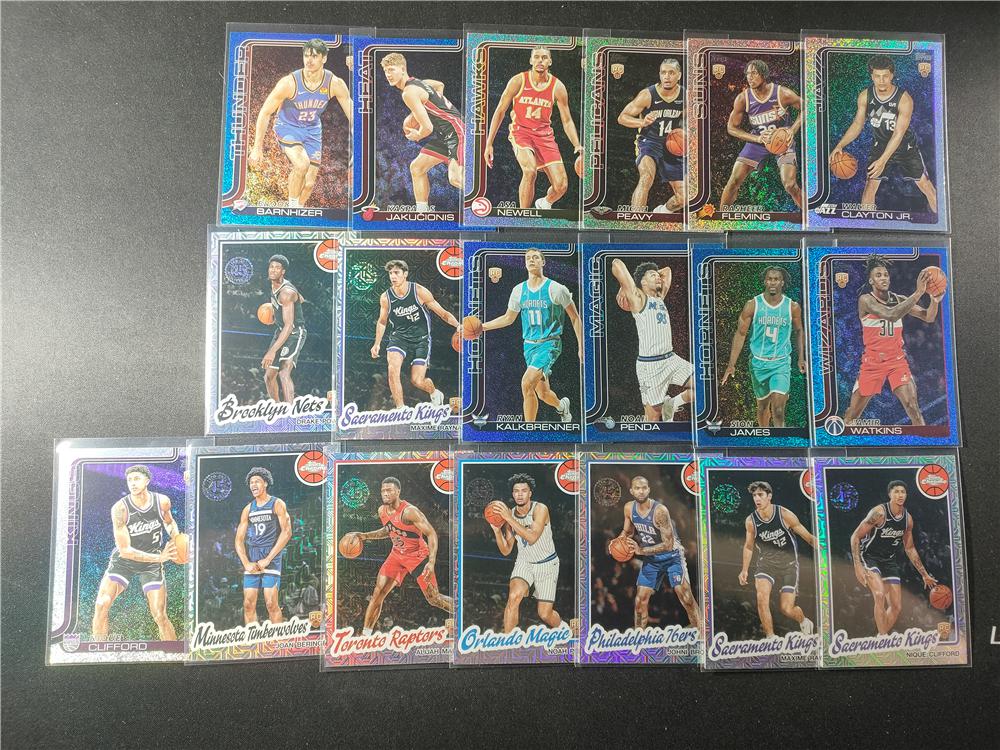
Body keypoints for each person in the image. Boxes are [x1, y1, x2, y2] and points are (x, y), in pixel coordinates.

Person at [480, 248, 582, 422]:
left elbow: (575, 317)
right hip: (529, 345)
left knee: (526, 383)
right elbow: (508, 318)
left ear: (543, 262)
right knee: (543, 393)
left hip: (549, 344)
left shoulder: (556, 289)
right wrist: (482, 327)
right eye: (528, 258)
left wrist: (581, 347)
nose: (531, 260)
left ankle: (529, 430)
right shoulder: (519, 290)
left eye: (535, 257)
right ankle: (562, 406)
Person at [248, 39, 353, 208]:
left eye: (314, 56)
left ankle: (298, 208)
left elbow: (353, 114)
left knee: (309, 184)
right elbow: (265, 112)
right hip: (288, 127)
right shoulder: (289, 83)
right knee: (302, 164)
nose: (309, 60)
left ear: (324, 58)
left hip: (312, 129)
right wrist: (257, 147)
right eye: (306, 56)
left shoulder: (334, 83)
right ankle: (292, 209)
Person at [842, 254, 941, 426]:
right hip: (873, 362)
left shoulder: (899, 299)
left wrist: (935, 299)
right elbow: (890, 314)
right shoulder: (865, 300)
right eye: (878, 275)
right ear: (871, 281)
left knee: (913, 407)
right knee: (852, 415)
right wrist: (918, 292)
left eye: (886, 275)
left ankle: (924, 440)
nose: (883, 278)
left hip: (896, 361)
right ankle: (840, 437)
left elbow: (928, 317)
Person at [830, 55, 937, 212]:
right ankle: (868, 224)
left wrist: (882, 161)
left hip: (904, 147)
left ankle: (939, 218)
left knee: (926, 186)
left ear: (892, 75)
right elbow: (858, 124)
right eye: (877, 76)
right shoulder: (865, 96)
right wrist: (840, 145)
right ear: (872, 76)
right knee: (869, 189)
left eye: (885, 76)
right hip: (880, 145)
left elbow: (898, 133)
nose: (881, 80)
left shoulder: (904, 99)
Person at [348, 477, 452, 635]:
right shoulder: (382, 510)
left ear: (398, 491)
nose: (385, 493)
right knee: (378, 593)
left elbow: (431, 533)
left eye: (389, 490)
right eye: (383, 491)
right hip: (396, 554)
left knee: (434, 599)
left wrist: (431, 562)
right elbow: (389, 530)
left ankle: (460, 611)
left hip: (417, 556)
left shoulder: (410, 511)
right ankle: (366, 635)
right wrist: (365, 535)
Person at [483, 46, 583, 209]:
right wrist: (489, 143)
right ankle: (524, 215)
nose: (540, 60)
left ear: (550, 62)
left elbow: (567, 121)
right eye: (536, 57)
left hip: (544, 136)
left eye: (544, 57)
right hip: (521, 132)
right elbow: (500, 111)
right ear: (531, 60)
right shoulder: (518, 81)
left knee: (561, 187)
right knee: (530, 171)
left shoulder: (558, 87)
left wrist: (577, 144)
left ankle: (544, 203)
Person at [92, 465, 181, 641]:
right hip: (125, 561)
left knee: (160, 616)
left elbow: (169, 522)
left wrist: (177, 539)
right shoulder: (120, 509)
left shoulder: (162, 501)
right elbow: (125, 551)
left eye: (137, 478)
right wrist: (161, 557)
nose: (132, 483)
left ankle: (175, 652)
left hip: (151, 563)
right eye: (129, 479)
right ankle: (98, 649)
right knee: (102, 604)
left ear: (147, 481)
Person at [722, 266, 806, 427]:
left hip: (781, 363)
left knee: (779, 410)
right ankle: (765, 437)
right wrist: (731, 364)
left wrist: (801, 358)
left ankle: (780, 441)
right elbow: (741, 334)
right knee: (762, 408)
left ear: (782, 282)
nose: (773, 282)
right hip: (758, 364)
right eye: (769, 279)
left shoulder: (792, 307)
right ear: (765, 282)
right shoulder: (752, 305)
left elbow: (799, 331)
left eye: (776, 279)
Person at [850, 480, 938, 635]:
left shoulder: (907, 520)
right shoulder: (879, 513)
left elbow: (910, 548)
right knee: (879, 594)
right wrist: (857, 565)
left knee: (896, 607)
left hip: (888, 560)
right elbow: (855, 536)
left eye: (903, 492)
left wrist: (924, 574)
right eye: (896, 491)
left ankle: (879, 637)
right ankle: (883, 639)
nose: (900, 495)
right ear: (889, 494)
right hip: (869, 556)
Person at [380, 52, 465, 211]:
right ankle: (422, 212)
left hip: (456, 131)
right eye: (385, 71)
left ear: (403, 69)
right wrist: (419, 113)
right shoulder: (422, 83)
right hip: (445, 135)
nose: (388, 74)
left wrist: (417, 135)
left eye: (391, 69)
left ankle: (482, 201)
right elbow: (440, 85)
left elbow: (428, 128)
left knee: (455, 178)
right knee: (417, 168)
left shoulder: (408, 93)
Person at [613, 476, 701, 629]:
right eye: (637, 488)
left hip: (672, 556)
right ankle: (639, 637)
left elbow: (668, 544)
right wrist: (618, 541)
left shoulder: (660, 511)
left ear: (648, 490)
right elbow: (628, 531)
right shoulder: (628, 508)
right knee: (640, 601)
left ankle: (702, 632)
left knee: (686, 597)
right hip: (651, 558)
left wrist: (641, 550)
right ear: (632, 491)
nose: (641, 491)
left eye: (644, 488)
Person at [370, 259, 459, 408]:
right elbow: (382, 321)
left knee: (417, 381)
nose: (393, 276)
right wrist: (377, 343)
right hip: (399, 338)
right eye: (390, 273)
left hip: (421, 340)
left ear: (405, 274)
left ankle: (434, 392)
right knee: (392, 369)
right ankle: (400, 409)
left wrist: (458, 325)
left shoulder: (419, 291)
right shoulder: (386, 297)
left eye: (396, 272)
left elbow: (443, 313)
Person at [611, 259, 692, 422]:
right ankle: (644, 439)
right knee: (652, 419)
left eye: (657, 275)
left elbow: (667, 270)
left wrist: (652, 273)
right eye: (652, 275)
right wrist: (627, 286)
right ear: (642, 282)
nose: (658, 277)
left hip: (671, 359)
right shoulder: (638, 298)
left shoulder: (660, 296)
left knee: (704, 384)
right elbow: (616, 264)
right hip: (650, 366)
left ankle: (672, 404)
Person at [488, 473, 567, 633]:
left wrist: (508, 519)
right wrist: (497, 531)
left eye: (524, 491)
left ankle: (565, 630)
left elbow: (532, 538)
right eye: (516, 491)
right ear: (512, 494)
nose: (520, 494)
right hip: (524, 561)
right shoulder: (510, 514)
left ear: (530, 493)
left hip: (547, 563)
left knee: (545, 614)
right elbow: (506, 550)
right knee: (513, 597)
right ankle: (508, 640)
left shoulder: (540, 509)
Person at [719, 60, 802, 210]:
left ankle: (810, 215)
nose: (750, 77)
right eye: (748, 74)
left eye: (754, 73)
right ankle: (720, 217)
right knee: (733, 181)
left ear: (764, 75)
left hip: (782, 140)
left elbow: (806, 107)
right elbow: (731, 128)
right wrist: (757, 138)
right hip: (758, 141)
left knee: (790, 185)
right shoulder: (743, 98)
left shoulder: (782, 93)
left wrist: (792, 130)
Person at [737, 481, 816, 637]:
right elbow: (748, 546)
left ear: (769, 496)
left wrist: (826, 552)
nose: (757, 498)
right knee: (761, 597)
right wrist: (744, 570)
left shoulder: (785, 514)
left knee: (786, 609)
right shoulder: (751, 521)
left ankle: (804, 621)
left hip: (789, 565)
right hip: (766, 564)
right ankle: (771, 637)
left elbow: (808, 538)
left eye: (760, 495)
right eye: (754, 495)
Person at [617, 58, 685, 213]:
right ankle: (636, 220)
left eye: (671, 73)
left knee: (684, 197)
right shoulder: (647, 95)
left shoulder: (686, 96)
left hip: (672, 147)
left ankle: (663, 211)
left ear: (679, 75)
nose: (667, 76)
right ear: (659, 74)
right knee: (646, 177)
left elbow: (692, 122)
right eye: (663, 72)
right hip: (649, 142)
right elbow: (622, 117)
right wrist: (642, 122)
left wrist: (685, 132)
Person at [235, 467, 293, 625]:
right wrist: (246, 563)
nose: (253, 485)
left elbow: (287, 532)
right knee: (248, 604)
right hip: (253, 556)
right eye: (251, 482)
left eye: (257, 481)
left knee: (271, 603)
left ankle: (276, 638)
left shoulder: (277, 503)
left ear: (266, 483)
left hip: (271, 556)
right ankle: (252, 637)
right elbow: (238, 540)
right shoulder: (248, 509)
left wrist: (268, 558)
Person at [262, 254, 306, 404]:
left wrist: (272, 351)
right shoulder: (274, 285)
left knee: (283, 371)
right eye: (271, 267)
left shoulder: (286, 292)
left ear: (283, 272)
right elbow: (301, 299)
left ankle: (290, 410)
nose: (273, 270)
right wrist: (277, 315)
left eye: (277, 268)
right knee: (268, 377)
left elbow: (289, 325)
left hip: (294, 332)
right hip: (281, 330)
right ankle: (277, 408)